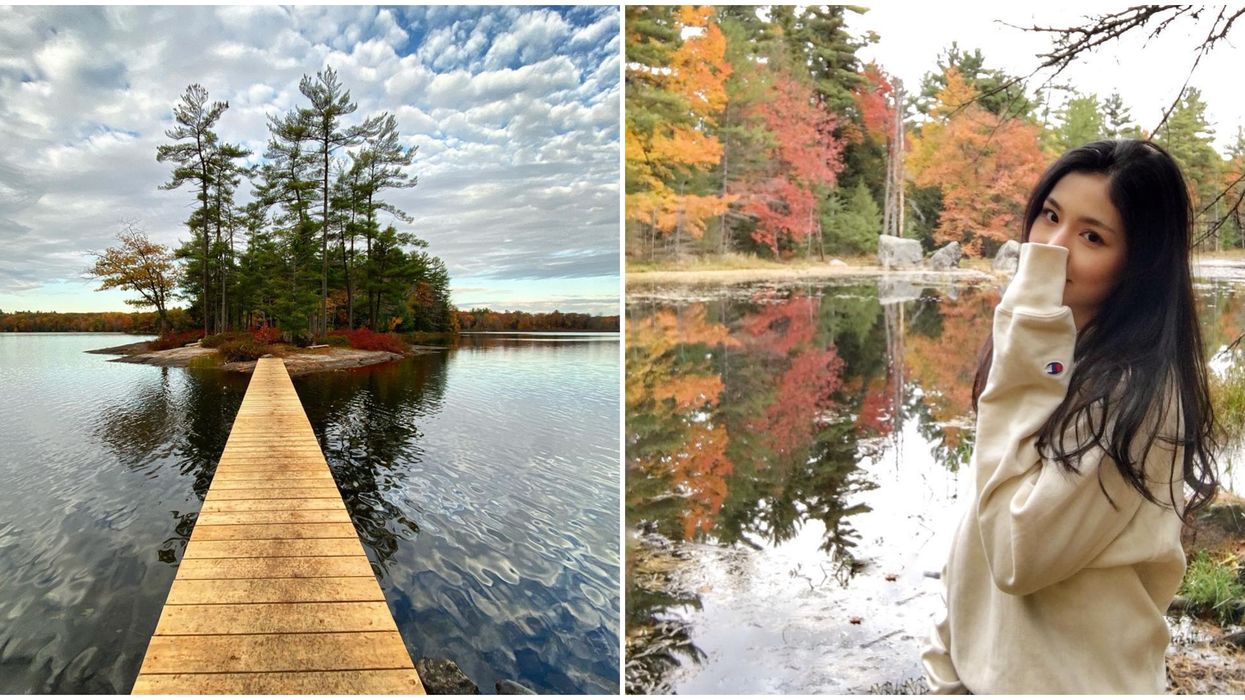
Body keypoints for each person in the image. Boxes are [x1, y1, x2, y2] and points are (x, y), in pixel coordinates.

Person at [921, 139, 1219, 694]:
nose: (1053, 249)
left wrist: (1025, 332)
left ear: (1140, 263)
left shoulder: (1136, 395)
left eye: (1091, 236)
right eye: (1050, 217)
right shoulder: (1054, 356)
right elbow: (979, 534)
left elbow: (1016, 556)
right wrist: (949, 664)